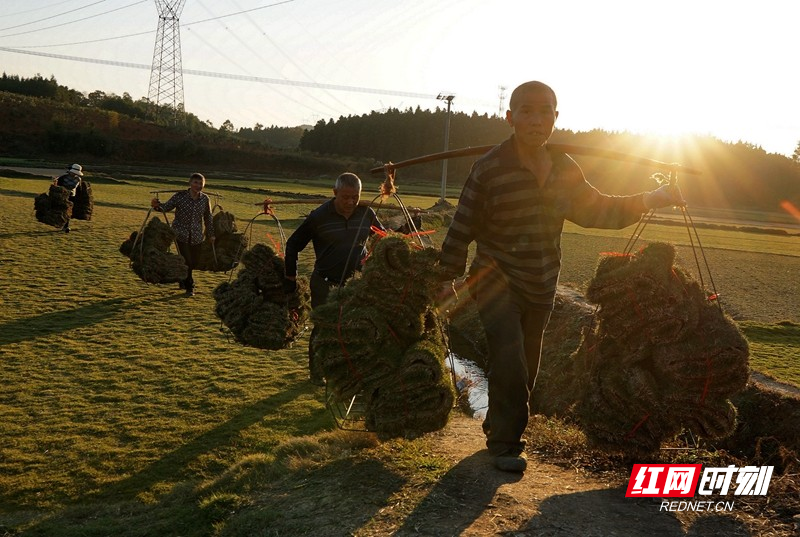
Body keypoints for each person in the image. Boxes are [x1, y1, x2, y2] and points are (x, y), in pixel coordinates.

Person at [437, 81, 684, 473]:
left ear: (556, 116)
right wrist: (447, 276)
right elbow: (462, 223)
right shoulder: (489, 168)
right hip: (494, 278)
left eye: (545, 111)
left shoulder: (564, 168)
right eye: (526, 111)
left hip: (541, 282)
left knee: (527, 366)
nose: (536, 119)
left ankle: (497, 423)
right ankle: (505, 444)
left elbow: (598, 210)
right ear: (510, 117)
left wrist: (650, 199)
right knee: (509, 360)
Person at [284, 172, 385, 385]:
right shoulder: (319, 216)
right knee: (323, 327)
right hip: (324, 282)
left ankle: (349, 370)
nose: (350, 202)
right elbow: (293, 245)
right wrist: (290, 278)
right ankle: (316, 372)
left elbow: (382, 238)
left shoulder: (366, 212)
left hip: (356, 284)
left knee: (356, 327)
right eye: (345, 196)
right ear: (335, 192)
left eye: (355, 197)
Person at [151, 172, 215, 297]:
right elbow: (166, 207)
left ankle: (182, 278)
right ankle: (190, 287)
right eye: (195, 182)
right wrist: (156, 205)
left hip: (197, 235)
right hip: (180, 234)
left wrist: (211, 234)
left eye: (201, 183)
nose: (198, 185)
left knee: (195, 262)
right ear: (190, 183)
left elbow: (208, 217)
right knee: (188, 262)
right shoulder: (180, 197)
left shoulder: (205, 199)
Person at [53, 163, 83, 233]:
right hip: (62, 196)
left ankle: (66, 226)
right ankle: (63, 225)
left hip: (71, 197)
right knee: (62, 211)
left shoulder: (78, 179)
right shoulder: (62, 178)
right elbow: (58, 186)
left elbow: (76, 188)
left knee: (67, 211)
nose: (74, 174)